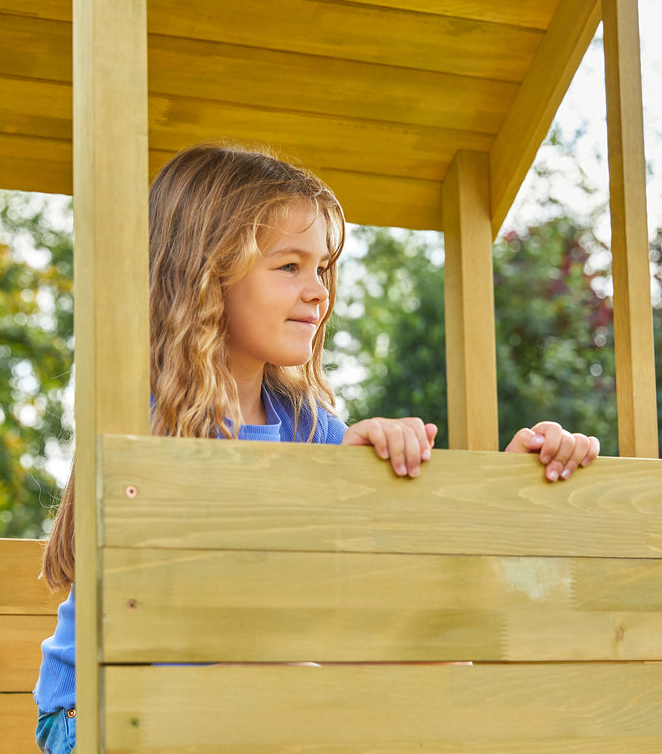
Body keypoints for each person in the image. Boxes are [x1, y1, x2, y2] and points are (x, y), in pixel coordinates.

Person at [33, 143, 600, 753]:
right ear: (204, 273)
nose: (318, 292)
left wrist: (503, 490)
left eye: (323, 268)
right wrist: (328, 485)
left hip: (242, 704)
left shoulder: (308, 422)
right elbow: (221, 601)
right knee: (291, 682)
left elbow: (402, 579)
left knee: (438, 673)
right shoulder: (144, 420)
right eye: (289, 267)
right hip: (95, 716)